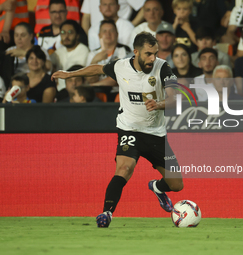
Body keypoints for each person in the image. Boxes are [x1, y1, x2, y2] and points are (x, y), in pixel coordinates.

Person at [52, 32, 183, 228]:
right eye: (148, 54)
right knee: (124, 168)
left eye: (155, 53)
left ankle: (156, 187)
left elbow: (175, 99)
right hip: (129, 129)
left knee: (176, 185)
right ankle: (106, 213)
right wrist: (70, 74)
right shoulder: (120, 66)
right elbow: (98, 69)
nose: (152, 58)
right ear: (136, 52)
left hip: (156, 133)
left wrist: (159, 104)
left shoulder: (162, 67)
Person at [52, 20, 90, 91]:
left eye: (70, 32)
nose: (66, 36)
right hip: (60, 91)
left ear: (77, 35)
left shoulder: (83, 50)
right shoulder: (58, 52)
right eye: (63, 33)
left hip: (76, 90)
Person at [80, 0, 145, 34]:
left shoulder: (127, 28)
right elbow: (86, 16)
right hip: (96, 34)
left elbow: (145, 6)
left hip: (121, 33)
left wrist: (131, 25)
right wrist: (87, 37)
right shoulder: (93, 32)